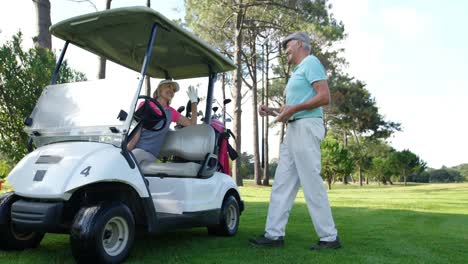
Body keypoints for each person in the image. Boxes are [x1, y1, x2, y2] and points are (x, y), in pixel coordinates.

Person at [249, 32, 341, 250]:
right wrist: (271, 110)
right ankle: (274, 236)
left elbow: (324, 97)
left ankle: (329, 237)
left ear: (299, 43)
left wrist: (294, 109)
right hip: (294, 130)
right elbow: (290, 110)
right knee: (281, 184)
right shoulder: (298, 72)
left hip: (307, 127)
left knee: (311, 183)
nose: (285, 50)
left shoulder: (311, 62)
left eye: (287, 45)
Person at [128, 79, 199, 165]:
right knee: (126, 157)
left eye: (173, 90)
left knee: (135, 155)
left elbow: (192, 123)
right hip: (136, 150)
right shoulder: (145, 104)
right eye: (168, 87)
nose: (171, 91)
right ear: (160, 89)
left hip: (150, 154)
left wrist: (194, 102)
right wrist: (126, 150)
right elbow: (136, 132)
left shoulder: (171, 112)